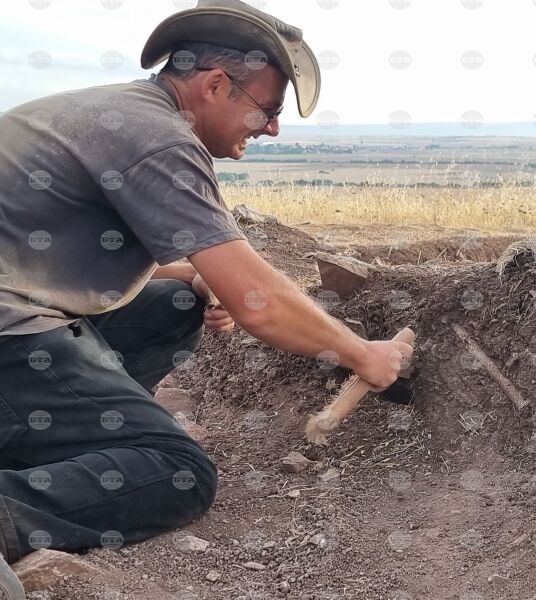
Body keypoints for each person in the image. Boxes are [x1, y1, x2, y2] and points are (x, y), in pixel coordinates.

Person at [0, 1, 412, 596]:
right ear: (216, 85)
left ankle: (67, 438)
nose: (272, 128)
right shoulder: (158, 140)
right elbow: (258, 302)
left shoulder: (118, 113)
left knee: (173, 304)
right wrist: (363, 355)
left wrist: (193, 278)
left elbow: (54, 248)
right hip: (11, 334)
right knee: (179, 473)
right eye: (268, 109)